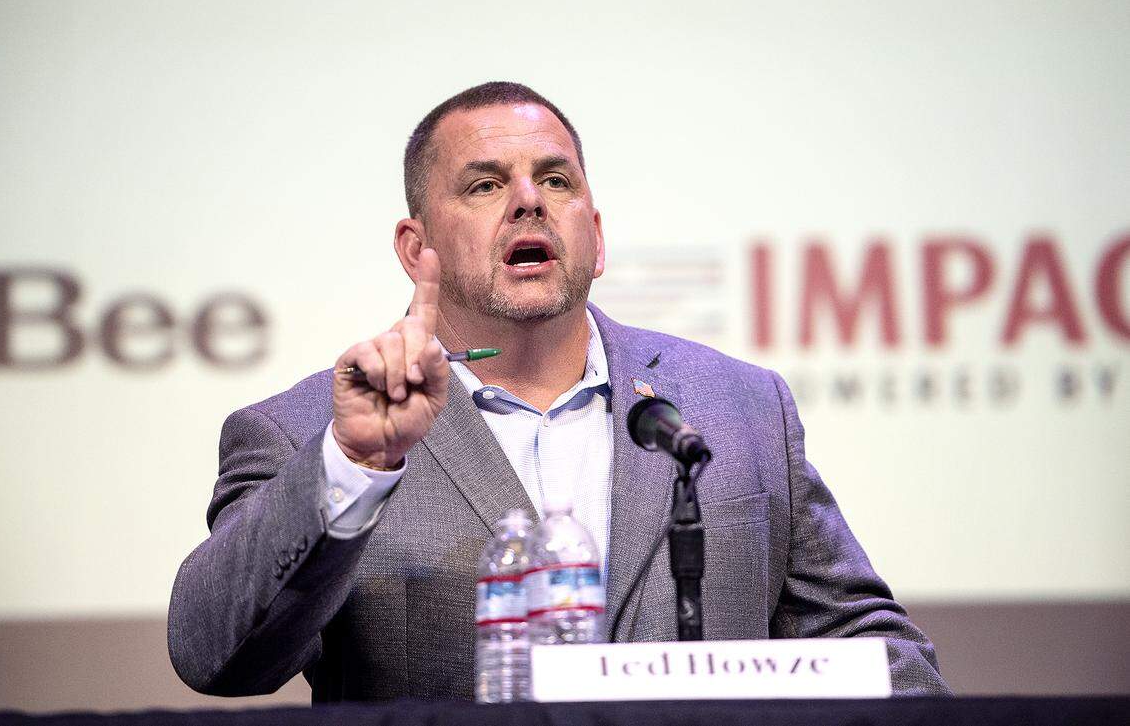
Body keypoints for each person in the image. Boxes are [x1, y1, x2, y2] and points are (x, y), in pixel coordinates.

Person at [167, 82, 951, 701]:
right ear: (416, 247)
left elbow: (870, 645)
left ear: (596, 236)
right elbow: (214, 656)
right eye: (483, 184)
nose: (529, 199)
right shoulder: (309, 431)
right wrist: (351, 467)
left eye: (554, 179)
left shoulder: (740, 408)